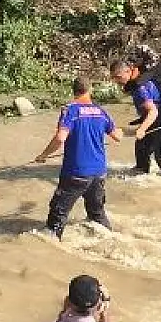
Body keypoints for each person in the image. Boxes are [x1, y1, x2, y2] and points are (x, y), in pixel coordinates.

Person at [35, 78, 124, 239]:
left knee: (57, 217)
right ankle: (111, 239)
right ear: (90, 91)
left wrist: (43, 155)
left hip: (75, 173)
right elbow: (117, 136)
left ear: (73, 91)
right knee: (97, 215)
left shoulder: (70, 111)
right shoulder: (101, 111)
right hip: (99, 174)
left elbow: (60, 138)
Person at [110, 59, 161, 178]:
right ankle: (140, 176)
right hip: (153, 121)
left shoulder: (140, 88)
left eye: (118, 77)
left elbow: (153, 112)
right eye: (114, 78)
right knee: (141, 149)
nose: (117, 81)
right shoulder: (135, 83)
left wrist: (141, 129)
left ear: (128, 71)